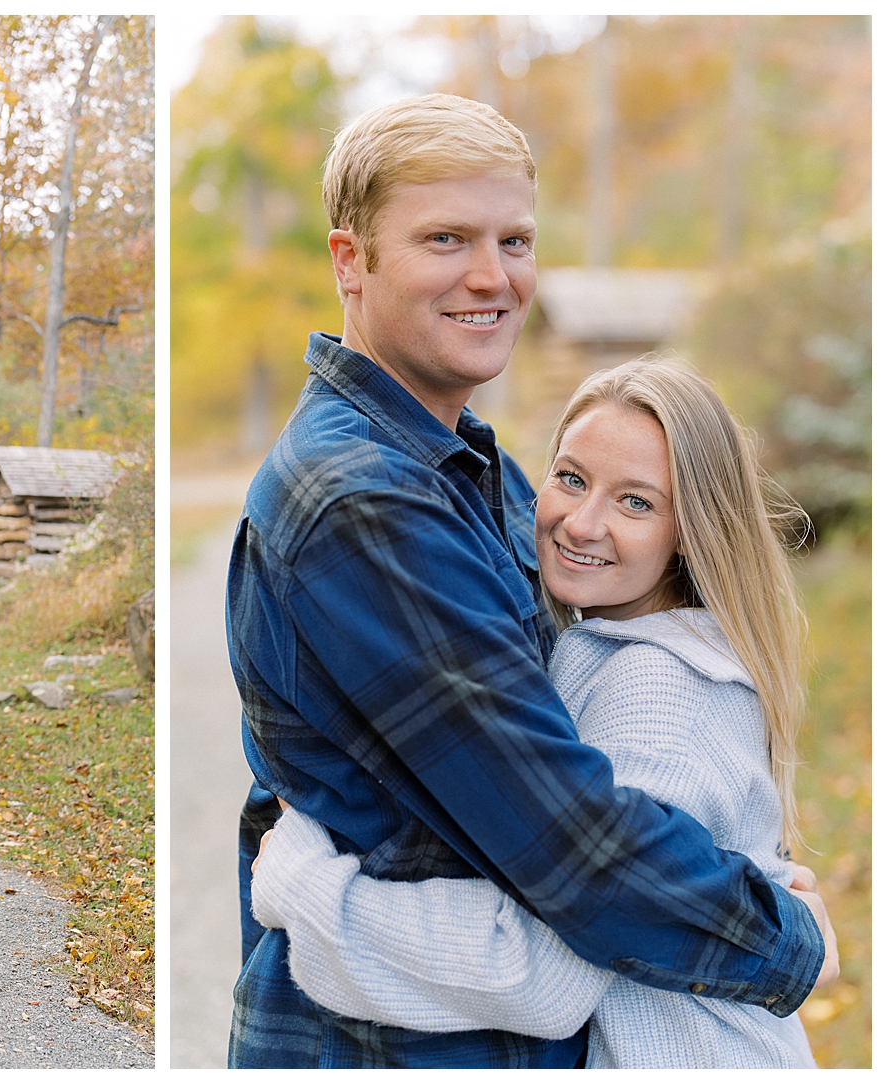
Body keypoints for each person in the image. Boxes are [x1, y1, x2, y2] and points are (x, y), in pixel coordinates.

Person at [224, 94, 837, 1068]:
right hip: (395, 1046)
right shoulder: (363, 498)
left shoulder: (476, 467)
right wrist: (780, 937)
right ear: (350, 260)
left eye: (514, 240)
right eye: (444, 238)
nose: (491, 275)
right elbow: (571, 841)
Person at [250, 358, 825, 1067]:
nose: (582, 524)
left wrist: (302, 886)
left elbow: (539, 976)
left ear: (692, 531)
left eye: (636, 503)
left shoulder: (657, 686)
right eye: (572, 478)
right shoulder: (618, 643)